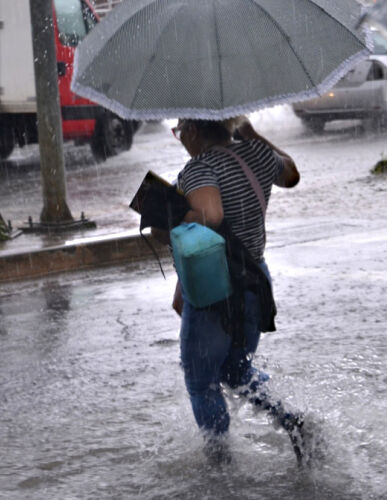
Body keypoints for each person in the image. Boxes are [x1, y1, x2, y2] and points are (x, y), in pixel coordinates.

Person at [170, 116, 310, 464]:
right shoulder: (257, 154)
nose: (180, 138)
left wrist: (168, 214)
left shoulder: (200, 168)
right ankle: (291, 420)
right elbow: (290, 174)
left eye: (180, 130)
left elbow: (211, 216)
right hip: (254, 280)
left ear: (195, 129)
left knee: (202, 380)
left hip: (214, 286)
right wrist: (251, 134)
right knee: (235, 369)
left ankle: (220, 464)